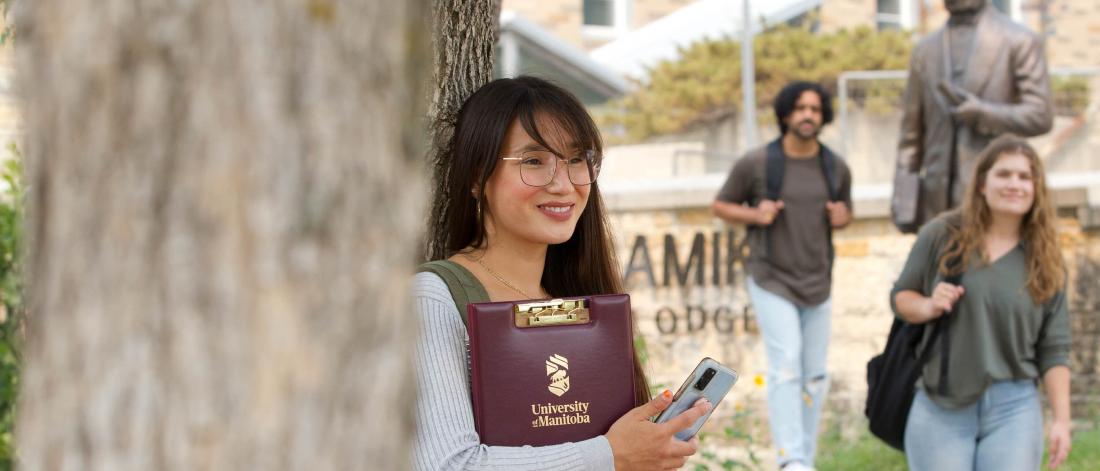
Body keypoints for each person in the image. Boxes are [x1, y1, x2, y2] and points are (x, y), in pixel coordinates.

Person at [412, 76, 711, 470]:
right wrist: (611, 455)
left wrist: (650, 447)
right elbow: (447, 465)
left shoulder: (578, 297)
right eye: (534, 161)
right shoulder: (434, 297)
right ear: (475, 178)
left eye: (576, 160)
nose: (563, 184)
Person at [891, 135, 1071, 470]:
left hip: (1014, 407)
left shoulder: (1045, 259)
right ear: (983, 183)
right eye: (1003, 174)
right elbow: (901, 297)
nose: (1014, 184)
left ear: (1037, 188)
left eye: (1024, 176)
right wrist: (929, 305)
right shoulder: (942, 235)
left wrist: (1062, 421)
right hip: (940, 403)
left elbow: (1055, 348)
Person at [712, 81, 852, 471]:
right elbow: (721, 205)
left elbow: (846, 212)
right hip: (772, 278)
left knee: (815, 376)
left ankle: (804, 456)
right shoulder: (758, 163)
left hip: (818, 282)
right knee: (787, 366)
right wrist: (756, 215)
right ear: (786, 114)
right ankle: (790, 458)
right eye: (801, 108)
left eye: (816, 109)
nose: (809, 115)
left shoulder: (834, 166)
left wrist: (843, 217)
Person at [891, 0, 1053, 233]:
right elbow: (910, 136)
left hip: (997, 201)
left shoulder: (1019, 40)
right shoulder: (925, 50)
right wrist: (904, 204)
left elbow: (1041, 114)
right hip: (939, 205)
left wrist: (984, 114)